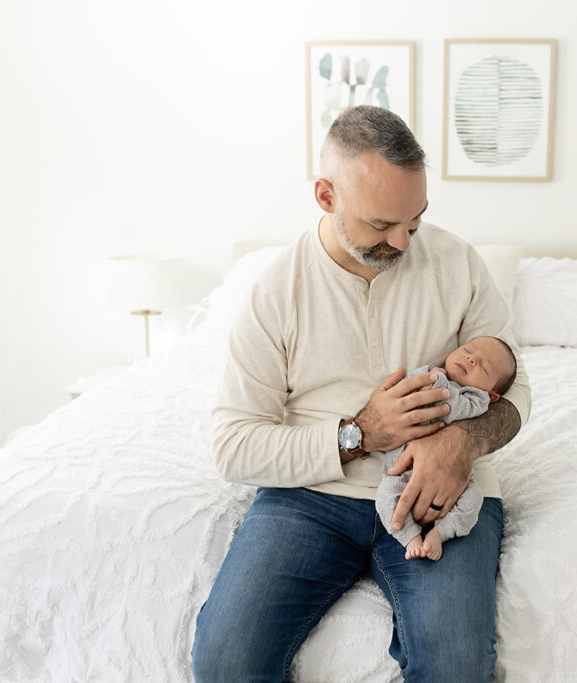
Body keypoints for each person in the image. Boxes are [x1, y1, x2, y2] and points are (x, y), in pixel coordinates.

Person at [190, 105, 531, 682]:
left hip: (441, 492)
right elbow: (233, 446)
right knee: (226, 662)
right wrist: (360, 435)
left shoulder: (458, 264)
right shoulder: (276, 291)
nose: (403, 240)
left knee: (455, 668)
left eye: (415, 220)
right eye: (381, 225)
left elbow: (518, 392)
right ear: (326, 196)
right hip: (309, 497)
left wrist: (460, 447)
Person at [378, 336, 517, 561]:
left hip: (453, 484)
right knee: (385, 497)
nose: (471, 359)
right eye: (468, 350)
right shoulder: (424, 373)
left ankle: (440, 533)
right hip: (401, 473)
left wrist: (438, 382)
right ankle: (409, 537)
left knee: (473, 500)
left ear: (492, 395)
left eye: (483, 366)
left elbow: (453, 408)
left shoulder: (476, 400)